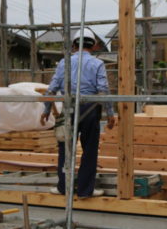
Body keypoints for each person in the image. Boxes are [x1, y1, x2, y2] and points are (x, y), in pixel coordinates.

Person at [40, 28, 115, 198]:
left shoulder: (64, 62)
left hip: (69, 109)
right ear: (94, 45)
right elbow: (103, 90)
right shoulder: (98, 64)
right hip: (90, 109)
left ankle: (63, 187)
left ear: (74, 45)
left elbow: (52, 89)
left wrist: (46, 110)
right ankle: (84, 190)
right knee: (89, 150)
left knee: (66, 149)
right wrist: (110, 112)